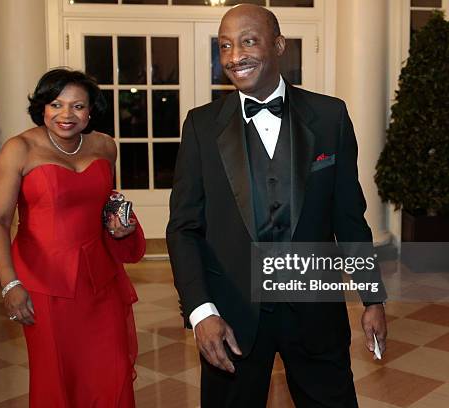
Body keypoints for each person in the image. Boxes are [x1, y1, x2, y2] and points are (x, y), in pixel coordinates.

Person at [166, 5, 387, 407]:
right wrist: (200, 311)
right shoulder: (200, 126)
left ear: (279, 45)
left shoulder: (329, 116)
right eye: (225, 46)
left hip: (314, 308)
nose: (235, 57)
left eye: (248, 41)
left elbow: (349, 218)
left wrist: (371, 297)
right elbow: (183, 228)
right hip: (231, 314)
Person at [0, 68, 145, 408]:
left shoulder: (105, 146)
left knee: (111, 370)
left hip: (101, 282)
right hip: (44, 285)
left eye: (77, 106)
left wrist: (119, 224)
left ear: (90, 111)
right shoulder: (20, 149)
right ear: (42, 107)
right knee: (57, 375)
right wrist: (10, 285)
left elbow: (106, 202)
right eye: (55, 104)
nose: (66, 115)